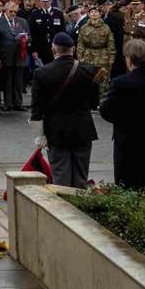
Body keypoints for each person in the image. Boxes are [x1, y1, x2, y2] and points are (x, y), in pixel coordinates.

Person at [99, 41, 145, 198]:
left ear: (129, 59)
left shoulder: (120, 83)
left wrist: (123, 118)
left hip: (128, 141)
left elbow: (106, 111)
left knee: (129, 190)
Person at [29, 33, 99, 189]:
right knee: (81, 178)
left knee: (61, 178)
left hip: (56, 130)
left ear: (53, 49)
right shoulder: (90, 70)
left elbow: (36, 110)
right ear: (73, 49)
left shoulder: (42, 73)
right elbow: (95, 103)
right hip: (83, 128)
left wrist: (39, 135)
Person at [0, 2, 30, 111]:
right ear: (5, 10)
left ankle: (18, 103)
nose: (13, 14)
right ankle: (8, 103)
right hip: (5, 56)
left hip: (20, 56)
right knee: (7, 81)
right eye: (11, 11)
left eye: (15, 12)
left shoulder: (23, 22)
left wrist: (27, 39)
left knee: (18, 81)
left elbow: (30, 36)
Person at [76, 5, 116, 98]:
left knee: (103, 80)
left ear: (100, 14)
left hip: (103, 56)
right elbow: (80, 43)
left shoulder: (106, 28)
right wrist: (80, 57)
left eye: (96, 12)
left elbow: (110, 43)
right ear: (88, 14)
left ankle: (102, 101)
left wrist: (111, 58)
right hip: (88, 56)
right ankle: (89, 101)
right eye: (92, 12)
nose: (94, 13)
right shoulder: (84, 27)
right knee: (87, 79)